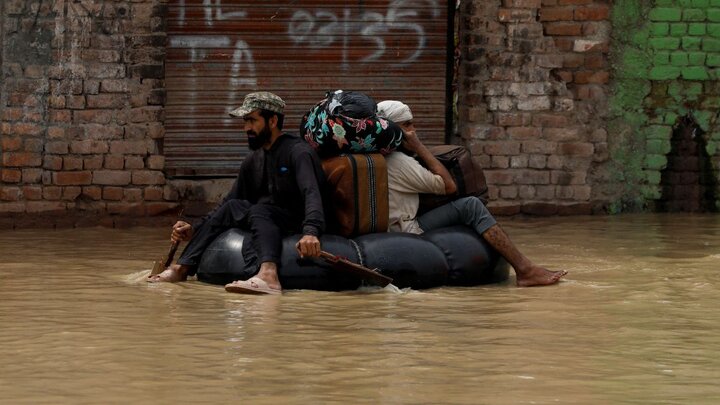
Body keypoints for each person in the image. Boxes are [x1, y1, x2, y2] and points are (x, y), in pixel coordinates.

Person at [148, 92, 327, 295]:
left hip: (296, 220)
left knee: (260, 209)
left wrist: (311, 232)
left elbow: (312, 193)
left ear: (273, 120)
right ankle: (181, 269)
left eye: (252, 120)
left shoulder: (297, 152)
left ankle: (269, 275)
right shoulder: (253, 160)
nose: (246, 128)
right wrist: (195, 228)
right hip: (265, 219)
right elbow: (230, 202)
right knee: (234, 207)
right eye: (245, 121)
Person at [377, 100, 567, 287]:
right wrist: (419, 146)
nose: (414, 131)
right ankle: (525, 270)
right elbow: (448, 186)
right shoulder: (399, 162)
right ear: (395, 131)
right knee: (471, 205)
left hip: (388, 225)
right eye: (407, 125)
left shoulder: (376, 155)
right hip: (404, 230)